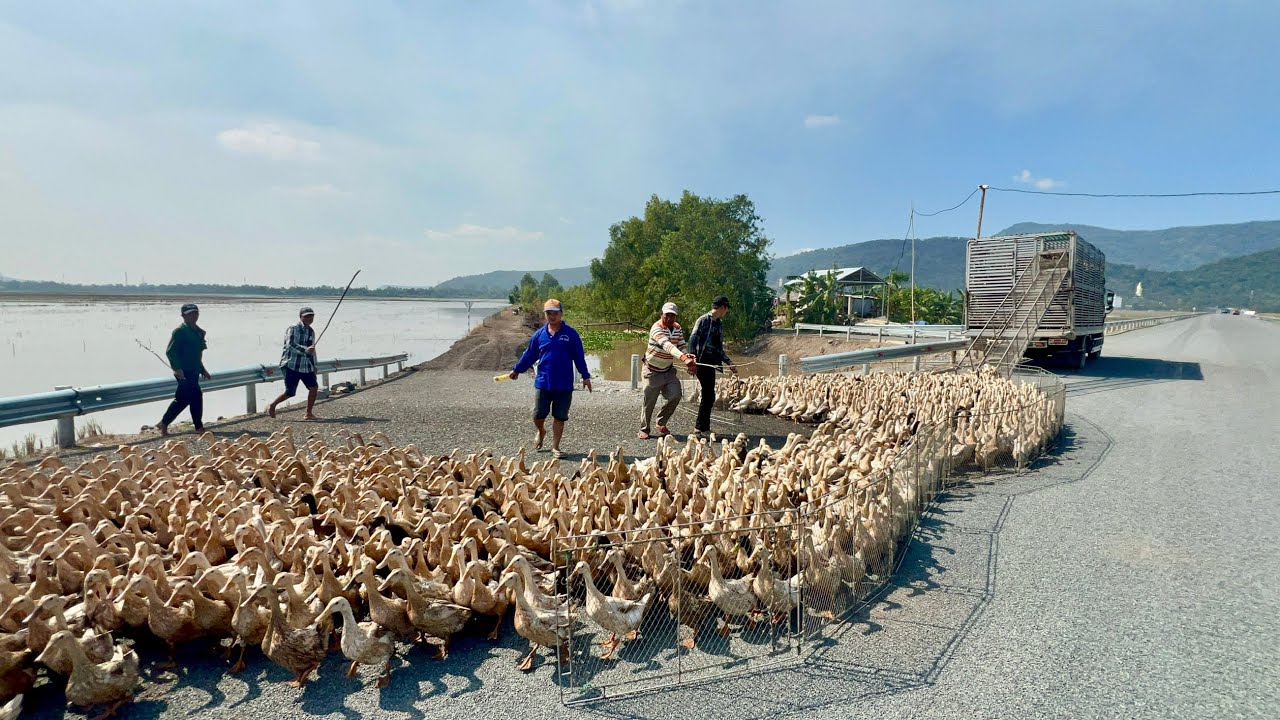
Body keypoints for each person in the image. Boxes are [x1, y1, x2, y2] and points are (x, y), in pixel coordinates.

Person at [509, 298, 592, 459]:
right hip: (543, 382)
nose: (552, 316)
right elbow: (529, 354)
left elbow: (579, 357)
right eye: (549, 313)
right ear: (545, 315)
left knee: (559, 417)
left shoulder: (571, 334)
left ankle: (556, 447)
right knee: (538, 415)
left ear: (561, 313)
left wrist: (586, 376)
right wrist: (517, 369)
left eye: (555, 313)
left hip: (564, 384)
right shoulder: (539, 335)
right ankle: (541, 430)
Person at [638, 301, 697, 439]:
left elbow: (681, 344)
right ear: (661, 315)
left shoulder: (677, 327)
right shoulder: (656, 328)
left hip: (668, 370)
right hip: (652, 370)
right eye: (667, 315)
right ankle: (644, 429)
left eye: (672, 316)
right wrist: (684, 359)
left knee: (676, 395)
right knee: (649, 401)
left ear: (676, 317)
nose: (670, 318)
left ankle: (661, 421)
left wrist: (686, 354)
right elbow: (667, 345)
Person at [686, 294, 738, 439]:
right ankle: (702, 428)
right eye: (727, 309)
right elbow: (692, 339)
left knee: (709, 395)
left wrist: (729, 363)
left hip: (711, 363)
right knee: (709, 394)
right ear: (723, 307)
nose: (727, 312)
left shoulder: (719, 324)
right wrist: (691, 361)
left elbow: (719, 348)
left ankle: (700, 427)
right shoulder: (703, 320)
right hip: (700, 362)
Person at [158, 302, 211, 435]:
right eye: (190, 314)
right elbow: (170, 351)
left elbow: (197, 355)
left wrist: (203, 369)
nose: (193, 316)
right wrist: (177, 368)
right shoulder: (180, 331)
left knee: (183, 399)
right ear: (183, 316)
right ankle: (199, 427)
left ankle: (164, 423)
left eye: (195, 313)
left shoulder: (198, 332)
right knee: (196, 396)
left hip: (194, 371)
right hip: (183, 372)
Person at [267, 306, 319, 420]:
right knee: (290, 392)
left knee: (314, 388)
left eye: (311, 316)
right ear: (301, 317)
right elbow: (290, 345)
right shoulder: (293, 328)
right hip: (292, 365)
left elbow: (312, 350)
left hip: (306, 366)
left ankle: (308, 413)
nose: (309, 318)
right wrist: (305, 349)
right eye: (307, 316)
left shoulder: (311, 331)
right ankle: (273, 405)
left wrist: (314, 365)